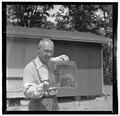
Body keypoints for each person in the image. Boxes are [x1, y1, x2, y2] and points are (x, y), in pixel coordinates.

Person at [23, 38, 69, 111]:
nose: (49, 54)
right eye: (46, 51)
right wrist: (42, 87)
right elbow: (27, 93)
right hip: (38, 105)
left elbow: (59, 59)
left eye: (51, 51)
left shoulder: (50, 62)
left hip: (54, 102)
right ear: (38, 50)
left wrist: (64, 57)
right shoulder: (30, 67)